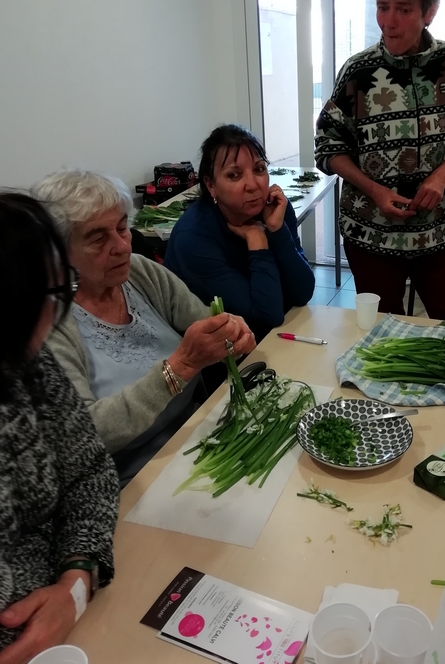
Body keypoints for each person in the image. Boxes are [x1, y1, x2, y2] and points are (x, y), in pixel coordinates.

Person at [32, 170, 256, 488]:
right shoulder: (49, 324)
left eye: (122, 228)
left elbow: (205, 323)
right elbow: (82, 435)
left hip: (201, 437)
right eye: (98, 238)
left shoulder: (140, 273)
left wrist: (229, 332)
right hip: (132, 485)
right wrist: (181, 367)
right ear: (58, 251)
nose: (122, 246)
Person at [314, 0, 445, 321]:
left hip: (440, 235)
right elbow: (328, 148)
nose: (389, 21)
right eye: (383, 7)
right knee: (383, 341)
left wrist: (442, 175)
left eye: (403, 9)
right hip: (370, 238)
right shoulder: (357, 73)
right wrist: (375, 190)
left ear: (429, 12)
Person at [0, 193, 119, 663]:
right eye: (56, 292)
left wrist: (75, 581)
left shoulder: (29, 364)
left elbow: (89, 473)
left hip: (70, 624)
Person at [164, 124, 315, 342]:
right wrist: (258, 243)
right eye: (234, 175)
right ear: (211, 185)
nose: (253, 185)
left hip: (271, 338)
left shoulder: (274, 210)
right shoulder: (194, 238)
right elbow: (268, 315)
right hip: (216, 351)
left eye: (259, 169)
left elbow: (302, 293)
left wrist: (277, 231)